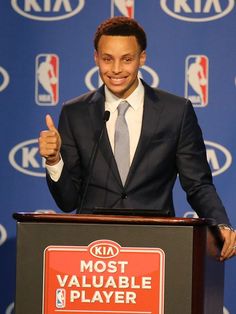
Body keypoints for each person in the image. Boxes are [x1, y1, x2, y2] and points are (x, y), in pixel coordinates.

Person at [38, 16, 235, 261]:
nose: (116, 69)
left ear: (142, 58)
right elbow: (68, 202)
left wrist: (221, 223)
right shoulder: (74, 113)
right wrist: (55, 160)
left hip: (156, 247)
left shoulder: (175, 111)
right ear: (96, 58)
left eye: (127, 59)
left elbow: (197, 184)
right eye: (107, 59)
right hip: (92, 252)